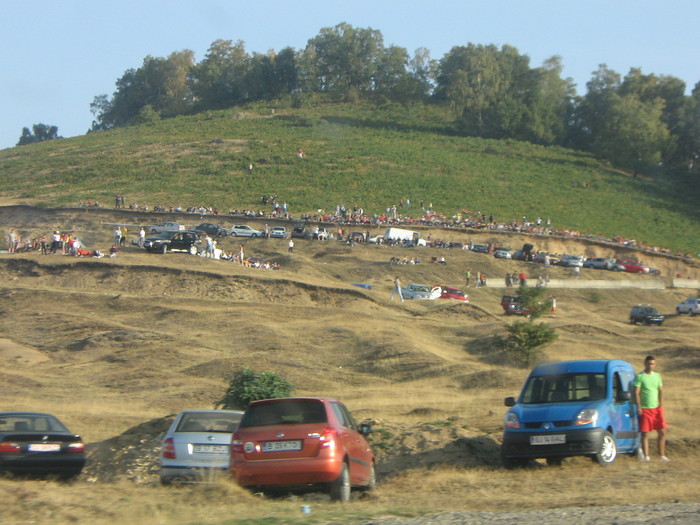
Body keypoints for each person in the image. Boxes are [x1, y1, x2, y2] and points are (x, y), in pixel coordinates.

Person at [634, 355, 668, 462]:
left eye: (652, 364)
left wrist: (661, 406)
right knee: (645, 433)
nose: (650, 366)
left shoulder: (657, 376)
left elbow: (661, 390)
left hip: (656, 409)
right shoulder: (640, 376)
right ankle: (646, 456)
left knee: (662, 432)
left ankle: (662, 455)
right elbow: (636, 392)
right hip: (645, 409)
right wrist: (639, 407)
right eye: (649, 363)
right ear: (645, 364)